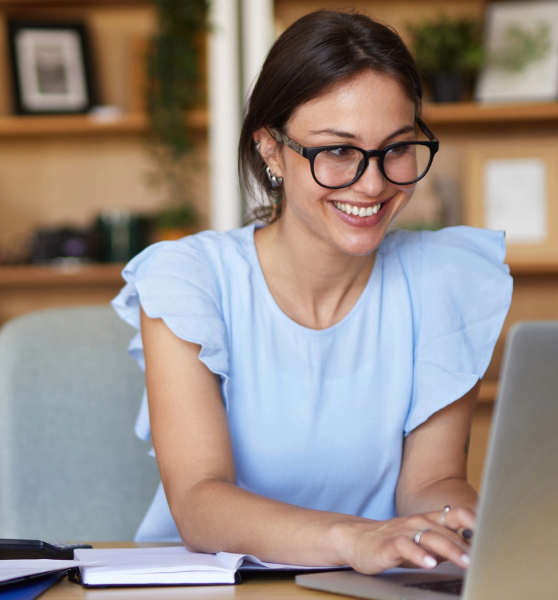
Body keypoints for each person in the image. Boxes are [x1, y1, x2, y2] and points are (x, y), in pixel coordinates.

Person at [110, 10, 513, 575]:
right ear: (272, 150)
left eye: (396, 148)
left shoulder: (443, 279)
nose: (372, 184)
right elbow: (200, 502)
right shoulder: (191, 280)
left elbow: (431, 484)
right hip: (214, 587)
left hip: (375, 584)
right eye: (338, 151)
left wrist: (467, 525)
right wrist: (356, 540)